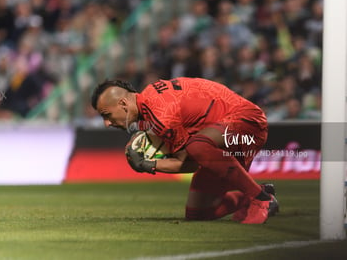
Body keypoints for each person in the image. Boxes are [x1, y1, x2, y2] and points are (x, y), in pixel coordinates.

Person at [91, 77, 278, 224]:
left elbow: (190, 163)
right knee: (198, 213)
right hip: (221, 132)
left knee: (197, 146)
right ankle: (256, 193)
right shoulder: (150, 101)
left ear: (123, 104)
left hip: (247, 121)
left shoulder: (160, 115)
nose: (107, 123)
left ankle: (261, 199)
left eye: (106, 115)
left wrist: (147, 165)